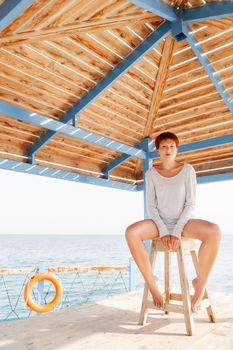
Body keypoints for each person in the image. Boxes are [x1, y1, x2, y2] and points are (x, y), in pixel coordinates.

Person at [125, 132, 221, 313]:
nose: (168, 150)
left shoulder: (188, 170)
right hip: (158, 222)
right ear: (158, 151)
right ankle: (153, 285)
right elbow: (151, 206)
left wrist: (176, 231)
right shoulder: (151, 173)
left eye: (172, 146)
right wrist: (163, 230)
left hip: (183, 223)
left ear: (177, 149)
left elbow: (190, 204)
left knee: (214, 231)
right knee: (131, 233)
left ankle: (199, 287)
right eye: (164, 147)